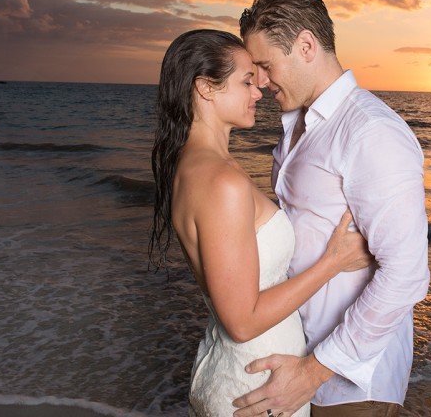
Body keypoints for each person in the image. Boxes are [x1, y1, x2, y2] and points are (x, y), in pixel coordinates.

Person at [149, 29, 373, 417]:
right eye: (246, 81)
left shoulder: (193, 167)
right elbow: (243, 321)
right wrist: (331, 263)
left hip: (246, 376)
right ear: (205, 88)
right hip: (253, 387)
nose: (258, 91)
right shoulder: (221, 182)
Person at [233, 0, 430, 417]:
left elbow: (407, 275)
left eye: (266, 65)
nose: (261, 82)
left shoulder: (370, 132)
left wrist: (314, 371)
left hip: (352, 386)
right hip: (301, 360)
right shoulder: (298, 126)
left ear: (306, 46)